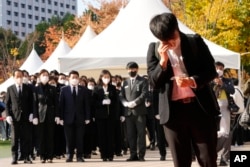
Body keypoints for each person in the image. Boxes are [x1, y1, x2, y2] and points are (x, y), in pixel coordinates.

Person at [147, 13, 220, 167]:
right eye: (164, 40)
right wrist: (162, 62)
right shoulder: (154, 49)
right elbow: (154, 83)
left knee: (208, 160)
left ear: (177, 29)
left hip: (200, 109)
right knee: (180, 162)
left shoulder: (194, 41)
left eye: (171, 37)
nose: (169, 42)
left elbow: (211, 70)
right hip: (173, 113)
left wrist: (192, 81)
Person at [59, 70, 90, 162]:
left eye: (76, 77)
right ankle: (69, 155)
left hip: (80, 118)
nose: (75, 79)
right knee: (69, 139)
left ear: (79, 78)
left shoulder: (83, 90)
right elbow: (61, 105)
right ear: (69, 78)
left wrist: (87, 117)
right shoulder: (64, 89)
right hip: (68, 118)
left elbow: (86, 105)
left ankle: (80, 156)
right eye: (73, 77)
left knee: (79, 138)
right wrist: (60, 117)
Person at [119, 61, 148, 161]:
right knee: (130, 135)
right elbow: (121, 95)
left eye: (134, 69)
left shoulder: (143, 80)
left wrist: (135, 102)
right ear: (127, 70)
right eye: (130, 69)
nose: (132, 71)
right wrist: (125, 103)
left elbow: (144, 94)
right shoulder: (125, 82)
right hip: (128, 112)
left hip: (139, 112)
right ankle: (133, 154)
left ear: (137, 69)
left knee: (141, 134)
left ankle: (141, 155)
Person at [5, 69, 34, 164]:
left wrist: (31, 113)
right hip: (14, 117)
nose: (20, 78)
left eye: (21, 76)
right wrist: (8, 115)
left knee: (26, 138)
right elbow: (7, 104)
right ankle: (15, 157)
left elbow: (31, 102)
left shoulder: (27, 88)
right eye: (17, 76)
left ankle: (26, 157)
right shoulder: (10, 89)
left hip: (26, 117)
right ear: (14, 78)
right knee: (14, 138)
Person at [33, 69, 59, 163]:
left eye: (47, 75)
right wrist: (35, 116)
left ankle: (50, 156)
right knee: (41, 136)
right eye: (43, 75)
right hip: (40, 115)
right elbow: (34, 103)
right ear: (40, 77)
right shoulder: (36, 89)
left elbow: (56, 103)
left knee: (50, 136)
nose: (45, 77)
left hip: (50, 115)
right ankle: (42, 155)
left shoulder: (52, 88)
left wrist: (57, 115)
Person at [93, 70, 119, 161]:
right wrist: (101, 102)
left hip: (110, 115)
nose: (106, 79)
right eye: (105, 77)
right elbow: (93, 102)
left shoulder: (112, 88)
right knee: (102, 135)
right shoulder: (96, 88)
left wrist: (111, 102)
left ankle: (110, 155)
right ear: (101, 78)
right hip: (100, 116)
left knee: (110, 135)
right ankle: (103, 155)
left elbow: (116, 101)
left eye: (108, 77)